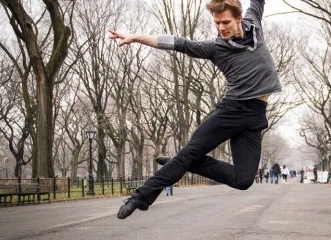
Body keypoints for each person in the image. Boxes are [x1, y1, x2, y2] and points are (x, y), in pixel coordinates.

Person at [111, 0, 281, 220]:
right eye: (217, 23)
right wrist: (136, 37)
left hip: (256, 115)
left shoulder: (254, 22)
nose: (221, 28)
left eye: (225, 22)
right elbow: (179, 43)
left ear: (239, 18)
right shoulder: (216, 48)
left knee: (244, 180)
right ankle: (140, 197)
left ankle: (183, 161)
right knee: (190, 153)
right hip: (232, 110)